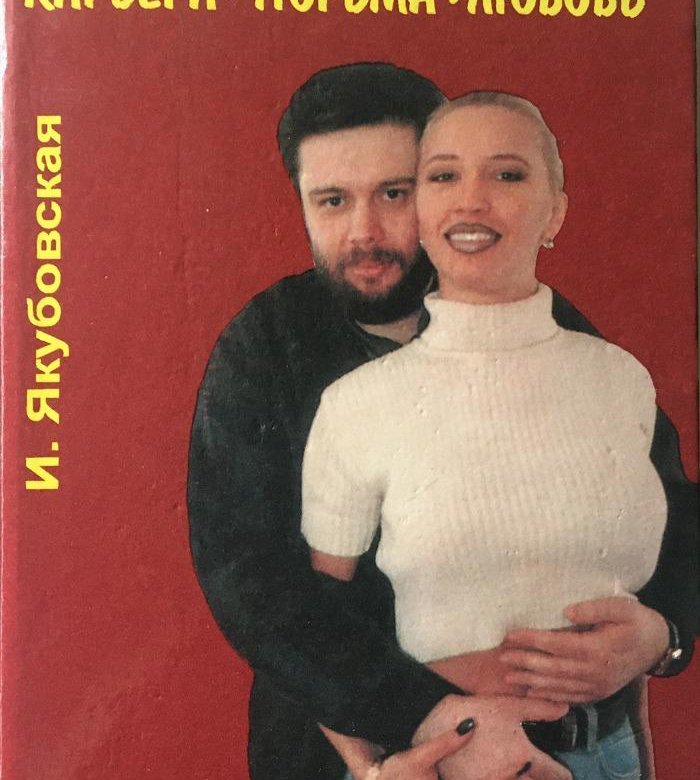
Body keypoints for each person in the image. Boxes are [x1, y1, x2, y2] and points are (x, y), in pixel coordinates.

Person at [187, 64, 698, 780]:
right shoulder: (266, 346)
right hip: (374, 758)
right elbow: (256, 587)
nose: (364, 232)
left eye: (393, 193)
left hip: (580, 747)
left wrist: (662, 634)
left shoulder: (550, 332)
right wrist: (423, 726)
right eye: (332, 200)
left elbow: (671, 514)